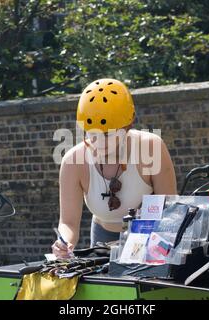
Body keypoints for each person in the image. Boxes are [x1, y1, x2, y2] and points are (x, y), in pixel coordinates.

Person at [52, 78, 177, 258]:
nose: (99, 142)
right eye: (91, 134)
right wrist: (64, 243)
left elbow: (169, 209)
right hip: (103, 238)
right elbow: (69, 223)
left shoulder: (151, 147)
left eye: (108, 134)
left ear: (128, 125)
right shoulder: (73, 161)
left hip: (150, 235)